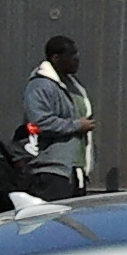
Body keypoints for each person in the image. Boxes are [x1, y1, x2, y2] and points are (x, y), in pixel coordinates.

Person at [23, 35, 95, 201]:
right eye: (71, 55)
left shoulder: (72, 84)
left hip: (75, 169)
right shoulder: (40, 85)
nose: (77, 59)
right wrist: (77, 125)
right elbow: (38, 123)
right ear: (56, 58)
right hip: (51, 171)